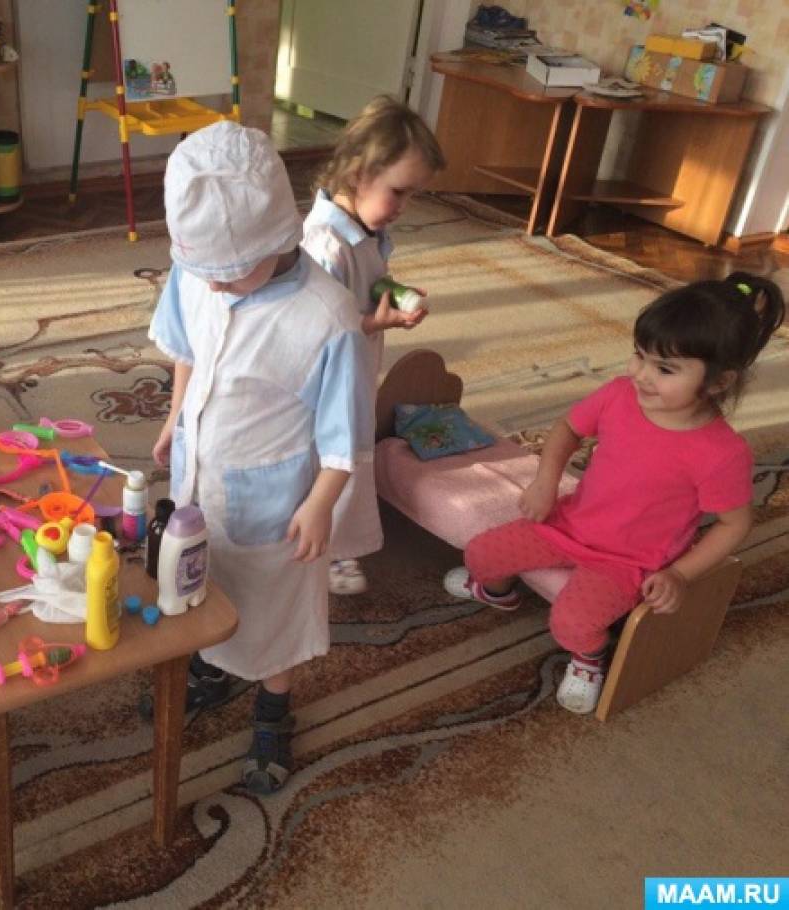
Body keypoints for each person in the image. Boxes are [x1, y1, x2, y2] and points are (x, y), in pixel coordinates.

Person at [149, 121, 374, 793]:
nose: (214, 286)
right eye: (205, 273)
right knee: (199, 576)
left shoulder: (327, 316)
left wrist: (321, 504)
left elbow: (344, 433)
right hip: (199, 479)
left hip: (278, 507)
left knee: (273, 611)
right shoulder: (198, 275)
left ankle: (273, 706)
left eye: (229, 273)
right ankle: (212, 663)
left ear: (279, 237)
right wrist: (174, 416)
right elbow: (185, 349)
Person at [443, 274, 784, 714]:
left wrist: (680, 575)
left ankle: (589, 659)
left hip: (629, 561)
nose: (641, 375)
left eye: (664, 369)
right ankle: (496, 592)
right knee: (480, 554)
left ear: (718, 383)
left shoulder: (722, 453)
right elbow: (567, 429)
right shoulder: (618, 395)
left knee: (572, 624)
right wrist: (546, 482)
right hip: (568, 524)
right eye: (639, 355)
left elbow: (734, 523)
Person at [301, 95, 446, 596]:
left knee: (353, 440)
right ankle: (331, 545)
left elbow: (360, 289)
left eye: (412, 195)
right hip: (328, 377)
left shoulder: (364, 230)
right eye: (398, 192)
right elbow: (313, 328)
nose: (403, 208)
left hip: (357, 363)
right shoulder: (327, 244)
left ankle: (334, 535)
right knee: (338, 449)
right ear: (358, 174)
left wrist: (389, 297)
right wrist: (370, 322)